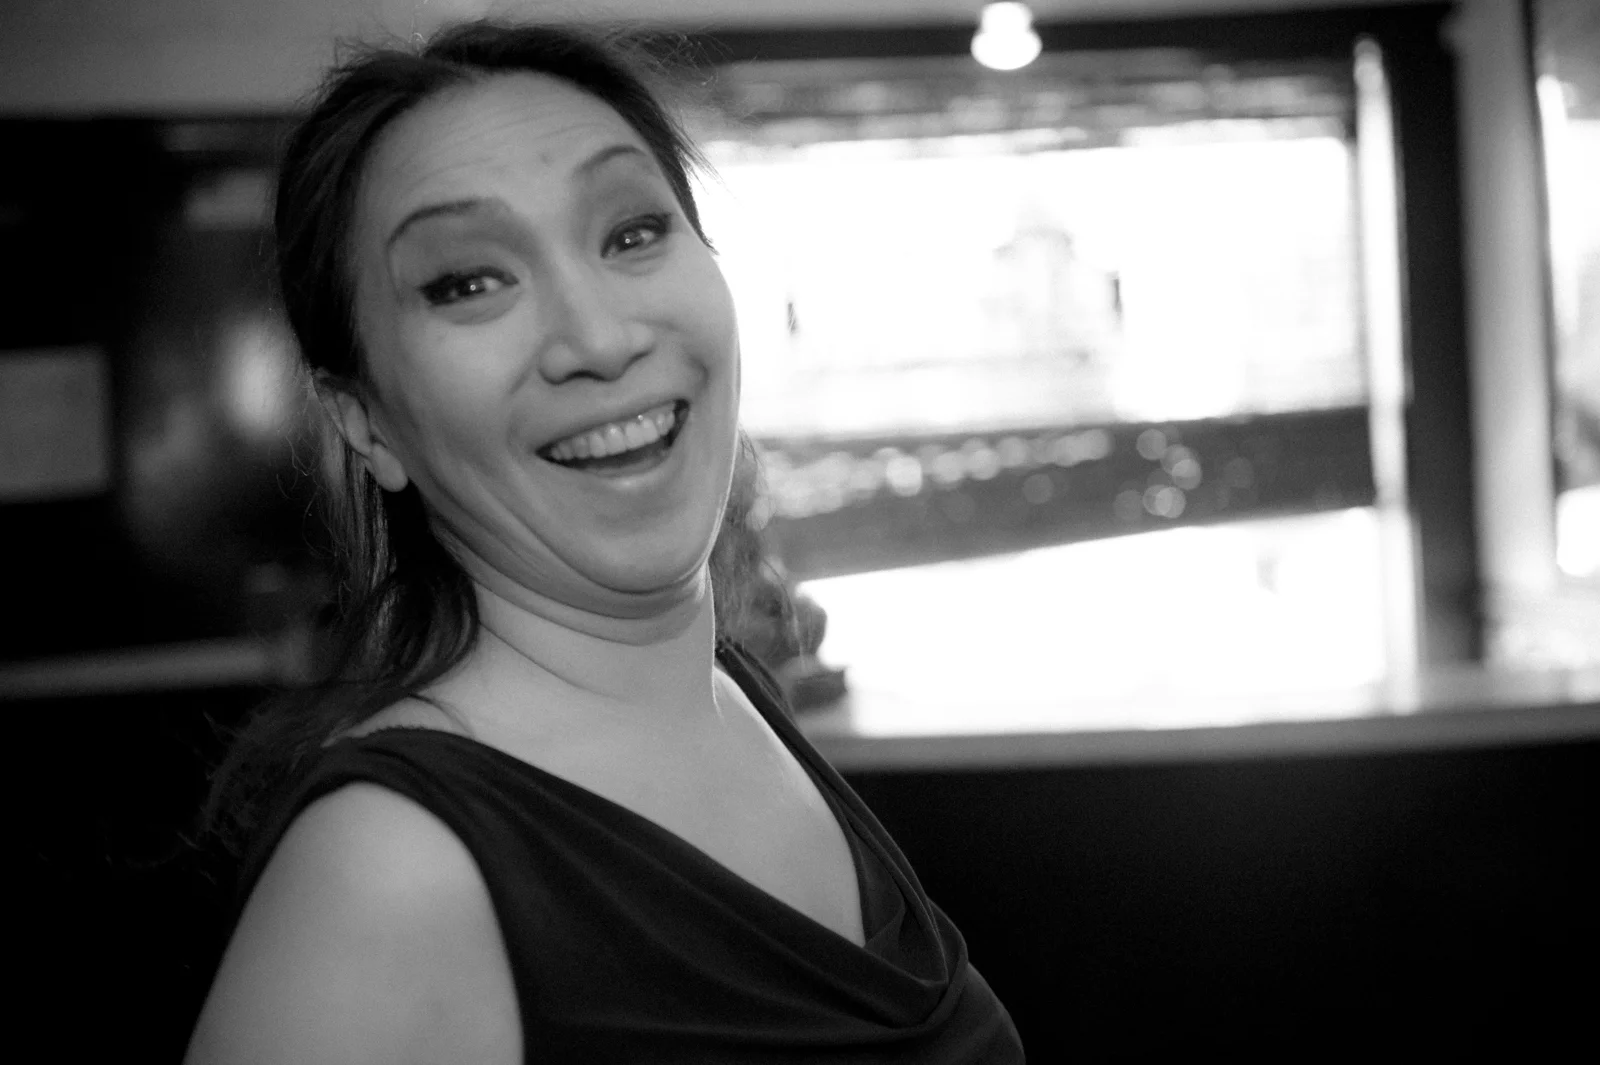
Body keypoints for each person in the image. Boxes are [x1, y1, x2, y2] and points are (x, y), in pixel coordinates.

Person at [186, 20, 1023, 1063]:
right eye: (467, 282)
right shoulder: (389, 872)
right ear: (365, 424)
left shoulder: (732, 698)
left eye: (631, 232)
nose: (599, 337)